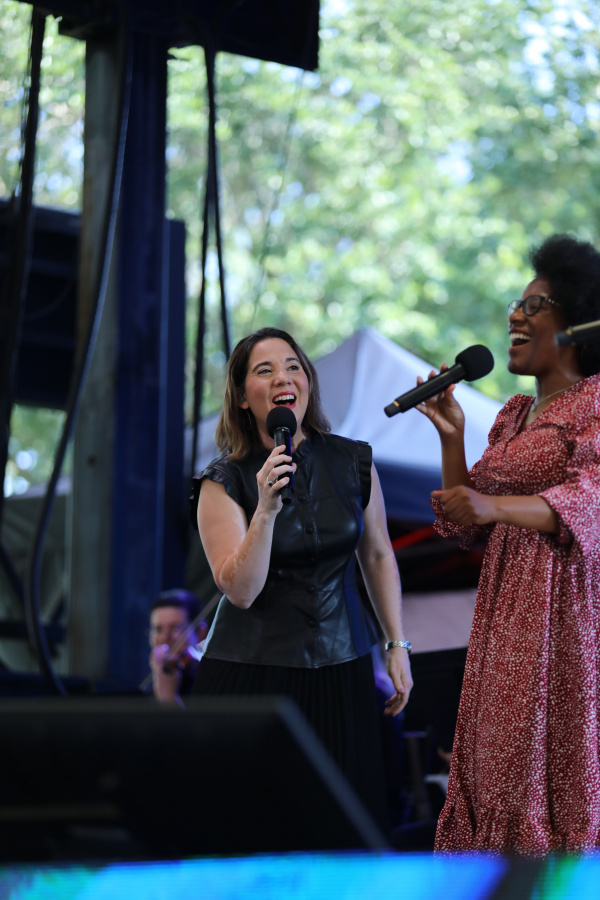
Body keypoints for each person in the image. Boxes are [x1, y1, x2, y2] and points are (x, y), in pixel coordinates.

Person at [417, 234, 600, 855]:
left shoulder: (595, 402)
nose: (515, 316)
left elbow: (590, 501)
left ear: (577, 322)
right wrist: (452, 439)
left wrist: (493, 506)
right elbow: (464, 523)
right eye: (516, 305)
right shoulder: (513, 414)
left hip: (562, 613)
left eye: (534, 305)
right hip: (505, 617)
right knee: (493, 763)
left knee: (547, 765)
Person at [190, 326, 412, 830]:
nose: (282, 378)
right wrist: (265, 510)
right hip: (251, 673)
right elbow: (240, 591)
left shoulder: (354, 460)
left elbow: (378, 555)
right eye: (264, 370)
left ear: (307, 380)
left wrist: (396, 644)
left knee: (342, 825)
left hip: (342, 669)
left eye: (293, 366)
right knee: (248, 832)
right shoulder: (222, 481)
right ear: (242, 397)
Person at [148, 589, 207, 705]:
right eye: (158, 629)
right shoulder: (147, 687)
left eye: (175, 628)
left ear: (201, 632)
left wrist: (168, 700)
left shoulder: (211, 683)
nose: (165, 637)